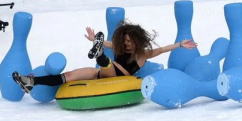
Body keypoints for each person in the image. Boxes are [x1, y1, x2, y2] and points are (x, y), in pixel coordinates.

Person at [12, 22, 198, 93]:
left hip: (119, 76)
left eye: (129, 41)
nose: (126, 44)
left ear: (137, 40)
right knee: (69, 75)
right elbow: (111, 43)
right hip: (103, 73)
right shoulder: (118, 46)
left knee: (106, 62)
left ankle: (99, 52)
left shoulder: (144, 54)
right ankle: (31, 81)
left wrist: (181, 44)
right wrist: (95, 39)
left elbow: (164, 49)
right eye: (124, 40)